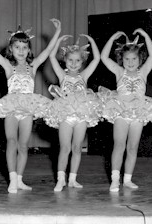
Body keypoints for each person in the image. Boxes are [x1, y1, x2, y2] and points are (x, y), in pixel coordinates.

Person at [0, 18, 60, 193]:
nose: (21, 51)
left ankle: (20, 179)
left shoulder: (33, 65)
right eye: (17, 47)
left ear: (29, 49)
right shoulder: (8, 66)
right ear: (11, 49)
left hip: (28, 108)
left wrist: (57, 32)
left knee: (23, 145)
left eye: (24, 47)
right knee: (11, 142)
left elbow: (47, 51)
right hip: (11, 107)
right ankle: (12, 179)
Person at [99, 29, 152, 192]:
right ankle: (115, 179)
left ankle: (128, 179)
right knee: (119, 145)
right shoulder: (119, 72)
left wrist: (146, 36)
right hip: (121, 110)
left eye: (134, 59)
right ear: (121, 59)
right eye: (127, 59)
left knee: (133, 147)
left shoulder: (143, 72)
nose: (130, 62)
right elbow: (104, 57)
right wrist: (111, 38)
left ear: (139, 59)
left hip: (138, 111)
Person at [45, 34, 101, 191]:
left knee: (77, 148)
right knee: (65, 147)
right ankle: (60, 178)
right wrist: (57, 41)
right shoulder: (62, 76)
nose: (74, 64)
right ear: (65, 60)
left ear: (82, 62)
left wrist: (91, 41)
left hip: (82, 115)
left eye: (77, 60)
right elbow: (51, 56)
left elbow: (96, 59)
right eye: (70, 60)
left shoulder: (84, 76)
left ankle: (72, 179)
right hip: (65, 114)